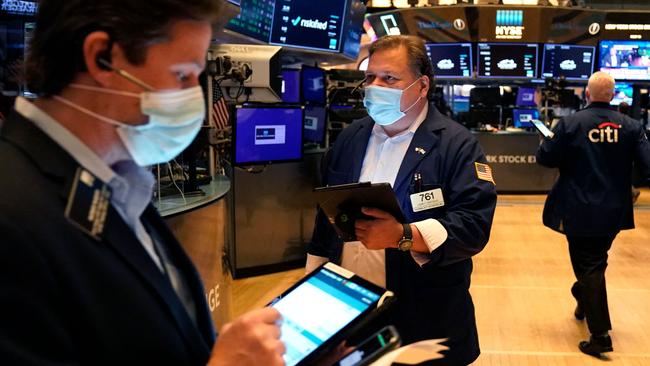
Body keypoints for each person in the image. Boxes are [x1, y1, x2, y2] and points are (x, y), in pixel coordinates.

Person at [0, 1, 285, 365]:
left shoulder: (118, 180)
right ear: (101, 56)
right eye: (182, 75)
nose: (192, 98)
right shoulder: (11, 215)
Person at [306, 35, 497, 366]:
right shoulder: (351, 137)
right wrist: (312, 291)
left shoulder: (457, 145)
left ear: (422, 86)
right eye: (369, 77)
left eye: (389, 78)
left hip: (426, 316)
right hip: (352, 312)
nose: (374, 86)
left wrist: (402, 236)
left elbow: (473, 226)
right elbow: (326, 220)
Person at [536, 71, 650, 358]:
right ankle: (584, 296)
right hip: (614, 211)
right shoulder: (632, 127)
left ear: (587, 94)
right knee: (596, 260)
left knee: (588, 265)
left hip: (578, 208)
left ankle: (600, 335)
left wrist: (548, 142)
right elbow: (647, 166)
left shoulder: (571, 124)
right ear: (612, 95)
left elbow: (545, 158)